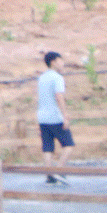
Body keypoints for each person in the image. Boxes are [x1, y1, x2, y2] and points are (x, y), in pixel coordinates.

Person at [35, 53, 72, 184]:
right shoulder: (57, 78)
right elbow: (59, 96)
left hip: (42, 117)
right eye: (60, 61)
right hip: (55, 117)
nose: (62, 64)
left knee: (47, 147)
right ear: (54, 62)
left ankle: (49, 175)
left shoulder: (42, 78)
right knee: (68, 145)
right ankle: (59, 170)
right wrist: (65, 115)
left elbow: (40, 99)